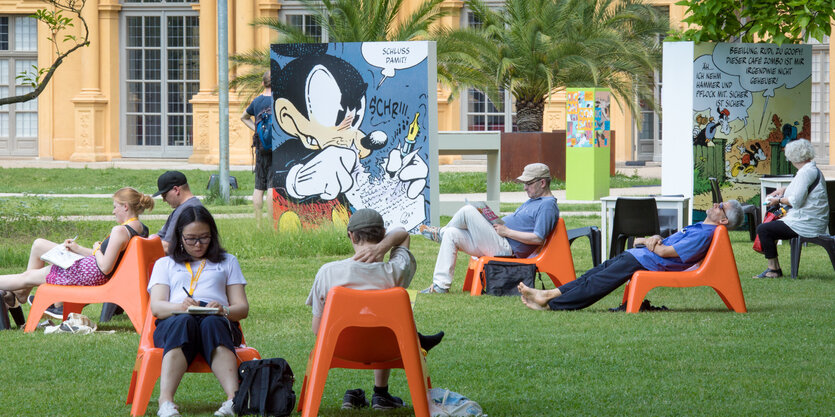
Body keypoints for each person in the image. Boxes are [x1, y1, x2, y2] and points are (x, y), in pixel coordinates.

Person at [306, 208, 444, 410]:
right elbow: (403, 234)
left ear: (351, 235)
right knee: (389, 324)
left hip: (339, 348)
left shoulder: (328, 273)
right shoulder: (395, 272)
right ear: (382, 234)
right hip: (391, 348)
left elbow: (317, 330)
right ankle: (382, 391)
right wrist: (385, 246)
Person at [518, 201, 744, 311]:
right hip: (643, 256)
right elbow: (664, 244)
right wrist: (653, 238)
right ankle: (547, 295)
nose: (716, 204)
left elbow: (665, 251)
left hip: (649, 262)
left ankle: (552, 304)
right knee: (595, 273)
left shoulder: (705, 234)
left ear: (723, 220)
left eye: (720, 206)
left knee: (599, 281)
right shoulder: (700, 228)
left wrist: (647, 240)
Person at [147, 206, 248, 417]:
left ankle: (234, 399)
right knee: (183, 323)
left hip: (217, 319)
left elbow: (242, 308)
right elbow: (157, 307)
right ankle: (165, 401)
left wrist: (224, 310)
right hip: (176, 319)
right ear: (179, 237)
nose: (198, 244)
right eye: (191, 238)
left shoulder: (228, 261)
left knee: (212, 324)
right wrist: (180, 308)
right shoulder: (165, 264)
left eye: (204, 237)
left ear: (212, 235)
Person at [0, 188, 153, 319]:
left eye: (115, 207)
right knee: (39, 245)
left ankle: (20, 294)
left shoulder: (120, 231)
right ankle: (20, 294)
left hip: (89, 273)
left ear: (125, 207)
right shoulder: (141, 229)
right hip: (92, 269)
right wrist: (77, 248)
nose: (113, 212)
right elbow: (108, 260)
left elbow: (105, 266)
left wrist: (97, 249)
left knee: (27, 277)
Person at [419, 163, 560, 293]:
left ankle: (440, 233)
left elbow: (538, 238)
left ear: (542, 183)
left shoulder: (547, 205)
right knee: (452, 233)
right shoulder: (534, 201)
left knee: (468, 211)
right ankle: (440, 286)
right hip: (498, 239)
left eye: (528, 183)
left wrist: (507, 232)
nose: (524, 188)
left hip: (506, 248)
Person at [754, 139, 829, 278]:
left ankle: (773, 269)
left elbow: (796, 201)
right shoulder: (809, 169)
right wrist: (784, 190)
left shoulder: (806, 172)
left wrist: (777, 200)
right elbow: (800, 190)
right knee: (768, 228)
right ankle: (773, 269)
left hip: (806, 222)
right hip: (810, 220)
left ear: (793, 157)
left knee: (764, 229)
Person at [240, 70, 274, 226]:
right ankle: (271, 222)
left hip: (260, 148)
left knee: (259, 186)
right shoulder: (278, 100)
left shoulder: (257, 101)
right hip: (276, 148)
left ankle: (258, 222)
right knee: (271, 187)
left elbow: (243, 117)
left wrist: (256, 129)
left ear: (263, 83)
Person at [152, 170, 204, 254]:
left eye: (164, 195)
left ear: (176, 190)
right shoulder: (192, 205)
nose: (164, 200)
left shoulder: (186, 210)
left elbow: (168, 246)